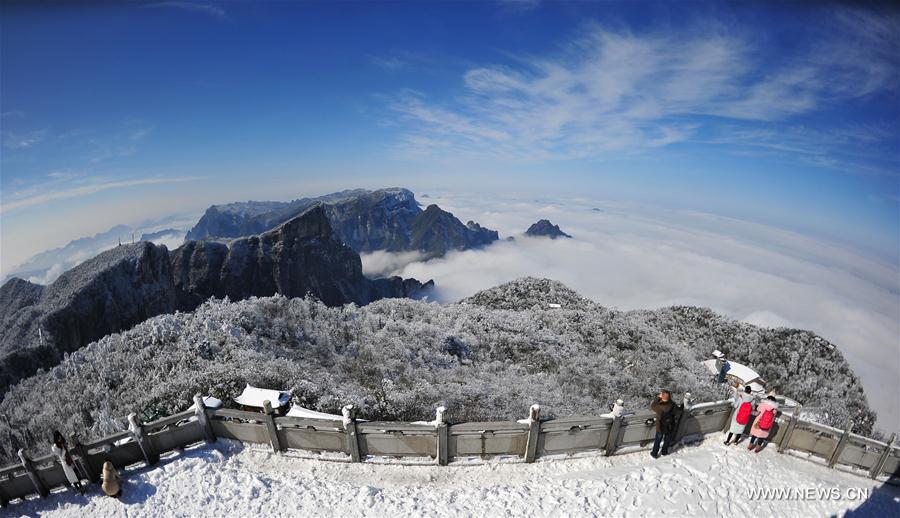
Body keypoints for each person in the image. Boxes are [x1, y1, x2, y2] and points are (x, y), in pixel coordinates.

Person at [650, 390, 675, 458]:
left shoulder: (659, 407)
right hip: (669, 426)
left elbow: (652, 405)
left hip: (660, 426)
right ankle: (664, 451)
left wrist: (658, 398)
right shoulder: (672, 404)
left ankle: (654, 453)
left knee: (658, 440)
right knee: (667, 440)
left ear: (662, 397)